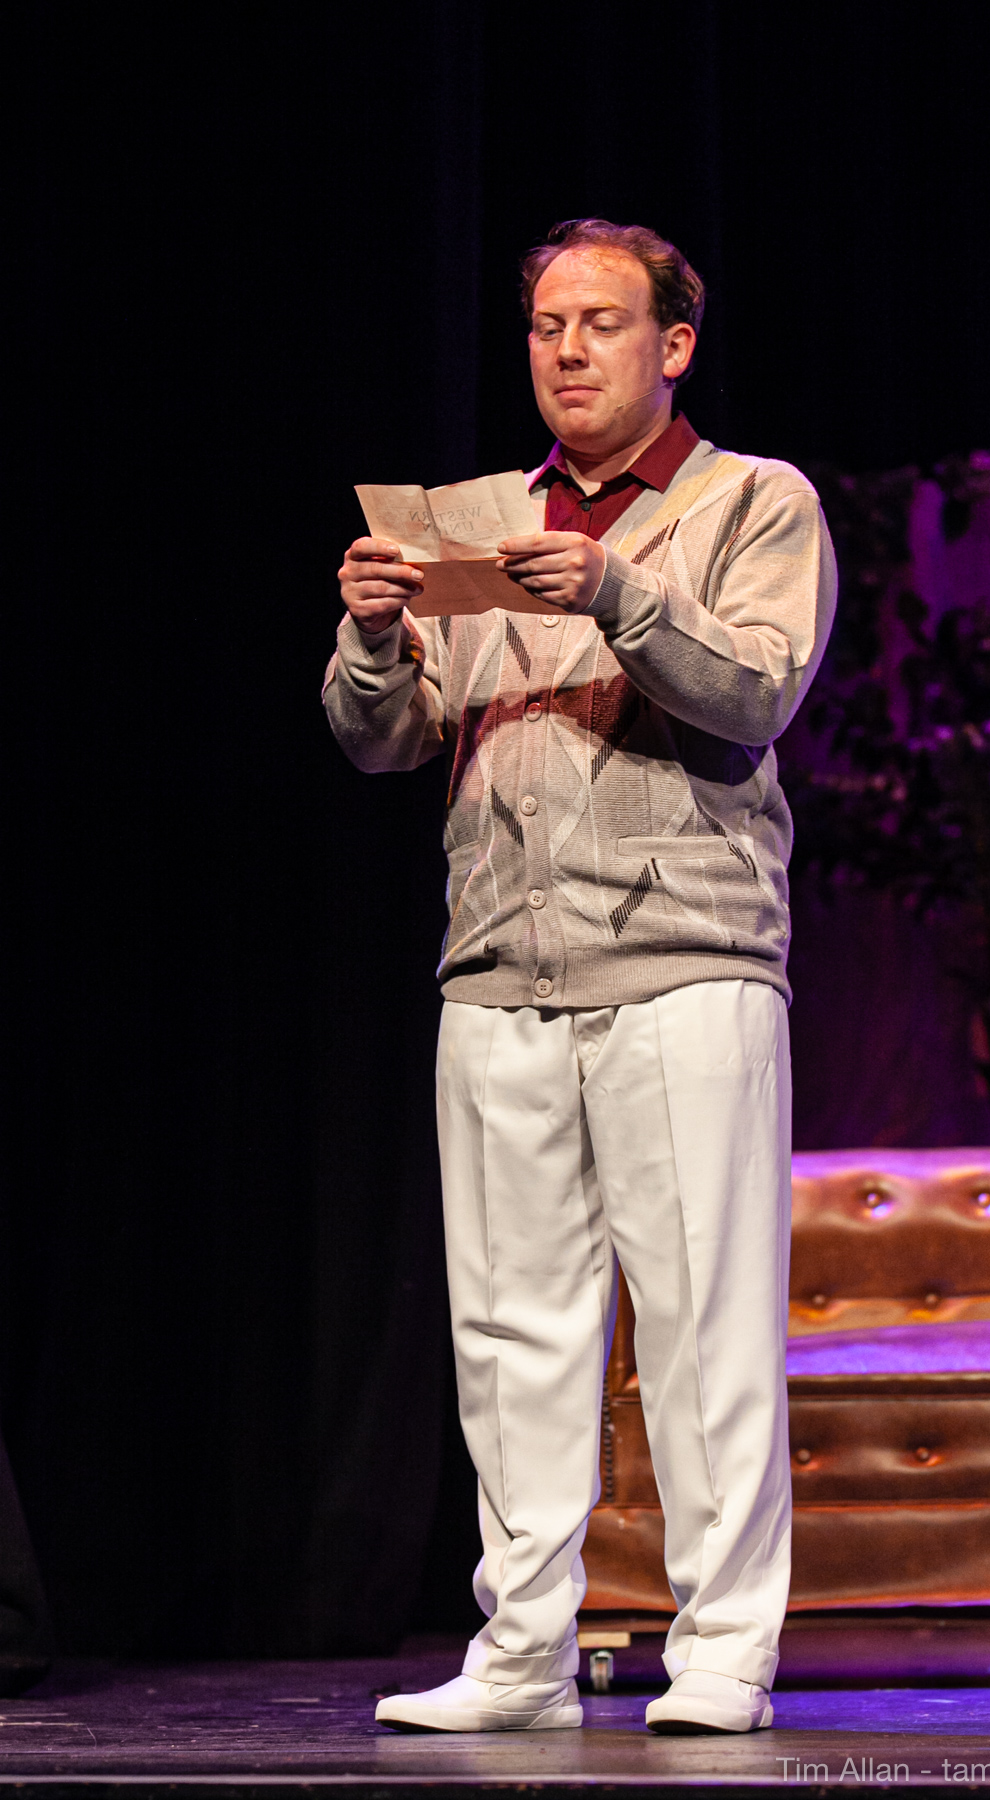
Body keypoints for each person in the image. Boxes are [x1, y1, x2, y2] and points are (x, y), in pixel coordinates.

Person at [324, 218, 837, 1735]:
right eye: (547, 325)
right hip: (498, 969)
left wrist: (618, 589)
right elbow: (383, 740)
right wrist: (372, 639)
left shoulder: (753, 501)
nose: (566, 350)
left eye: (601, 323)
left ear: (673, 345)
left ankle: (723, 1651)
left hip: (685, 959)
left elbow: (756, 691)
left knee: (703, 1328)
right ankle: (521, 1654)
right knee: (510, 1333)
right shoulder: (477, 517)